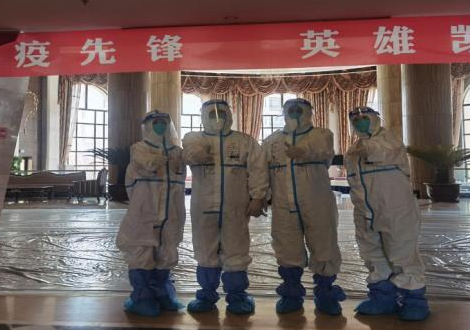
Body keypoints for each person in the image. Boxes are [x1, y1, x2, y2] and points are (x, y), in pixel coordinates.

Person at [182, 99, 268, 315]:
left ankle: (237, 296)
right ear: (203, 117)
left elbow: (258, 170)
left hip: (235, 207)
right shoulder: (194, 138)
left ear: (229, 115)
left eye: (221, 113)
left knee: (236, 249)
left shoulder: (244, 141)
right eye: (212, 114)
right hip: (203, 208)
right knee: (205, 249)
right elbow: (188, 153)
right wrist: (198, 154)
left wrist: (258, 198)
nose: (217, 118)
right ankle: (206, 295)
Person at [344, 106, 430, 321]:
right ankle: (382, 297)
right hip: (365, 211)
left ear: (375, 118)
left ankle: (413, 300)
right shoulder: (353, 149)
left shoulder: (389, 140)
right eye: (355, 119)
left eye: (364, 117)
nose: (359, 121)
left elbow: (379, 152)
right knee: (372, 254)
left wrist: (366, 146)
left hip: (395, 209)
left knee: (402, 253)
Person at [263, 98, 346, 315]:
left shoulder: (321, 135)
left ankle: (326, 293)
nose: (294, 113)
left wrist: (302, 151)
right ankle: (291, 294)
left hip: (317, 203)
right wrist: (260, 196)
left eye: (299, 110)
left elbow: (324, 151)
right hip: (283, 205)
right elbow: (262, 171)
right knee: (286, 247)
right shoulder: (272, 141)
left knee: (324, 245)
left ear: (309, 112)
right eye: (290, 110)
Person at [116, 110, 186, 317]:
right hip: (144, 211)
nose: (161, 126)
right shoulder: (140, 148)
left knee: (166, 252)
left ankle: (163, 294)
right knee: (142, 252)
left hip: (171, 212)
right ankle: (142, 298)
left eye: (164, 122)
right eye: (156, 123)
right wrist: (163, 159)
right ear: (148, 126)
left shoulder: (177, 152)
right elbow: (149, 163)